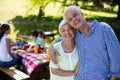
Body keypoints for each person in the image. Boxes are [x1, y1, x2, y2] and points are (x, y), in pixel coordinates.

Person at [49, 5, 120, 80]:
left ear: (81, 13)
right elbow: (62, 38)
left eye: (75, 15)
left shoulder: (103, 29)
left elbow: (115, 54)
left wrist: (113, 76)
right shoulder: (75, 34)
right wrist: (50, 48)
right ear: (70, 24)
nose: (74, 19)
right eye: (70, 19)